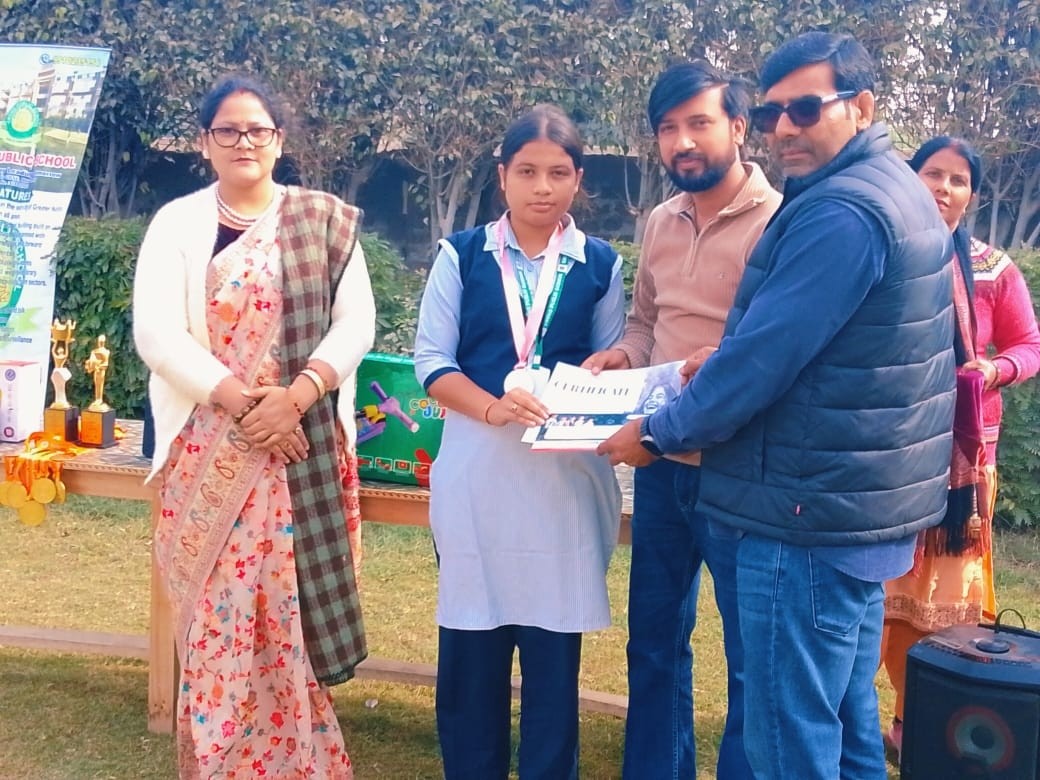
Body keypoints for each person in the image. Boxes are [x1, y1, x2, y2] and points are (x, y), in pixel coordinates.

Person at [598, 32, 955, 779]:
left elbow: (762, 362)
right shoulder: (880, 190)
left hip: (801, 510)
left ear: (862, 107)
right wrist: (705, 365)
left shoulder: (842, 211)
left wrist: (656, 435)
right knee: (843, 728)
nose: (785, 127)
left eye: (805, 109)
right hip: (841, 504)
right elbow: (811, 346)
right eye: (774, 113)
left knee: (787, 738)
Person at [133, 74, 375, 779]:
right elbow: (157, 334)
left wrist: (296, 397)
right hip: (209, 445)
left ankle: (300, 762)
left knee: (290, 611)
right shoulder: (176, 224)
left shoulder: (321, 221)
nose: (244, 141)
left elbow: (356, 323)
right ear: (205, 142)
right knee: (217, 615)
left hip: (302, 445)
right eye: (228, 130)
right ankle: (218, 763)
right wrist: (246, 405)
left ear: (279, 140)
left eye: (258, 130)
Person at [413, 104, 626, 779]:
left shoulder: (600, 264)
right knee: (472, 649)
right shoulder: (461, 256)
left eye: (558, 173)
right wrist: (492, 408)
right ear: (502, 175)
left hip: (562, 485)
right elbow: (431, 362)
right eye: (527, 171)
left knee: (552, 660)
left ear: (578, 179)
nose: (542, 187)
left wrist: (606, 374)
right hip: (477, 474)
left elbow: (609, 362)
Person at [582, 61, 780, 779]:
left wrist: (719, 363)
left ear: (738, 126)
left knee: (751, 656)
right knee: (655, 640)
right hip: (661, 464)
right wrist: (621, 356)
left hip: (741, 469)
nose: (683, 141)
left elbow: (773, 351)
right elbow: (646, 323)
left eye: (699, 122)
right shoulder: (661, 222)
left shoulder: (780, 222)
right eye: (668, 128)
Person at [881, 136, 1040, 758]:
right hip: (889, 458)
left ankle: (916, 721)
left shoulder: (993, 269)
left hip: (963, 466)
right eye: (932, 174)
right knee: (883, 595)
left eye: (958, 180)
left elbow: (1030, 346)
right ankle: (856, 716)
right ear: (910, 178)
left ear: (971, 194)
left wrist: (993, 369)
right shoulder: (885, 254)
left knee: (944, 600)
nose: (943, 188)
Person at [84, 334, 110, 410]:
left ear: (104, 342)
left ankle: (99, 399)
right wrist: (90, 364)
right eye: (100, 342)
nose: (100, 343)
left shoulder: (106, 352)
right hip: (96, 371)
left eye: (102, 342)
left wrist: (99, 366)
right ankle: (97, 399)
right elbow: (91, 361)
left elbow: (106, 364)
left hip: (101, 371)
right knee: (96, 384)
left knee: (100, 385)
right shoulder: (94, 351)